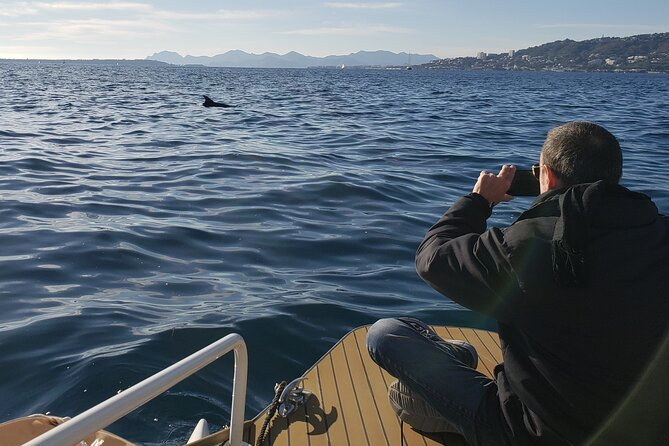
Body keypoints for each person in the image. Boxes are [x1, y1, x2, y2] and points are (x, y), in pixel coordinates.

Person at [367, 121, 669, 445]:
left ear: (547, 176)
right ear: (615, 177)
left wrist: (479, 201)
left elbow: (431, 258)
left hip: (528, 434)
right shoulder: (659, 235)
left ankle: (454, 361)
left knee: (385, 335)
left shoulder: (526, 243)